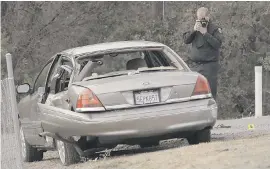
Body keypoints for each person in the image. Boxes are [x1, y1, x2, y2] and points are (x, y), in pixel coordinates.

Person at [183, 7, 224, 100]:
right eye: (199, 18)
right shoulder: (195, 27)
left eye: (203, 19)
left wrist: (205, 34)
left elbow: (217, 44)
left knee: (210, 92)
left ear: (208, 17)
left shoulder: (214, 29)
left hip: (209, 66)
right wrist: (194, 30)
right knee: (196, 94)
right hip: (196, 66)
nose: (201, 21)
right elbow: (186, 40)